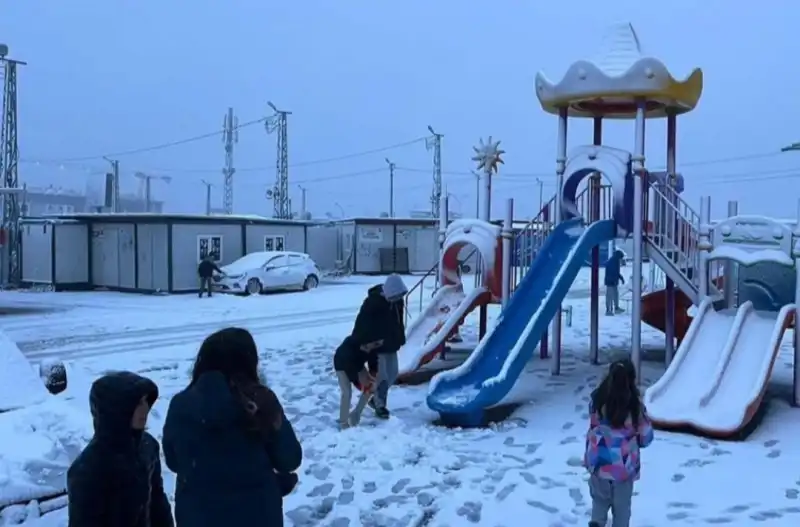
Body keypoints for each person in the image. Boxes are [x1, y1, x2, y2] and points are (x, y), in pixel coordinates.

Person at [162, 327, 302, 527]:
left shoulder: (181, 403)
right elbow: (289, 459)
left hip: (197, 517)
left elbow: (174, 461)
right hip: (257, 515)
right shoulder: (260, 401)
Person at [67, 371, 174, 527]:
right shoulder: (88, 469)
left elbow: (157, 502)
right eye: (137, 403)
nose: (145, 409)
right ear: (116, 410)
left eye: (146, 401)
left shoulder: (148, 446)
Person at [584, 359, 654, 527]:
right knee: (622, 510)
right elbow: (646, 437)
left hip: (599, 464)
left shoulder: (597, 401)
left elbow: (594, 425)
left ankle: (596, 523)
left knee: (599, 503)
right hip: (623, 468)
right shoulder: (635, 408)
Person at [351, 274, 408, 419]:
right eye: (395, 296)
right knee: (382, 376)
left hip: (391, 343)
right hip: (376, 346)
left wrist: (400, 337)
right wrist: (361, 344)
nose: (397, 299)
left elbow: (399, 321)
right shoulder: (372, 303)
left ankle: (375, 399)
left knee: (393, 373)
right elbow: (361, 325)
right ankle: (380, 405)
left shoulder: (397, 301)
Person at [333, 336, 382, 430]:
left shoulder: (373, 345)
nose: (368, 349)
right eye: (366, 348)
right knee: (347, 392)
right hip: (341, 364)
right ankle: (343, 422)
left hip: (358, 365)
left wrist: (372, 374)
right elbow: (349, 366)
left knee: (372, 387)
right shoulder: (350, 347)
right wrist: (358, 379)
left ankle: (356, 415)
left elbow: (373, 362)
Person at [604, 249, 626, 315]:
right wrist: (613, 280)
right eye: (621, 258)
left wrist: (621, 278)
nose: (621, 260)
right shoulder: (612, 262)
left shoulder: (615, 261)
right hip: (610, 282)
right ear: (618, 257)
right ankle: (608, 310)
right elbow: (612, 273)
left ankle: (616, 308)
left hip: (613, 281)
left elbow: (616, 272)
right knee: (609, 296)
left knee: (615, 295)